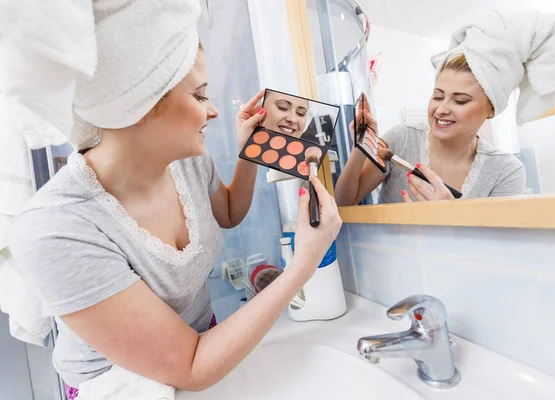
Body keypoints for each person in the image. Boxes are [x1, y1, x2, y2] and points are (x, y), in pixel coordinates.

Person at [8, 41, 341, 397]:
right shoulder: (55, 227)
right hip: (121, 383)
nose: (213, 111)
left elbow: (228, 214)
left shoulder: (188, 159)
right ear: (137, 103)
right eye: (199, 96)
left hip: (201, 346)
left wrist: (252, 152)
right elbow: (190, 365)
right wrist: (304, 265)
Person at [335, 54, 527, 205]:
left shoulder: (506, 171)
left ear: (491, 109)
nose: (441, 110)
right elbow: (344, 202)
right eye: (437, 96)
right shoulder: (401, 138)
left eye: (460, 101)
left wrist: (451, 219)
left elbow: (498, 247)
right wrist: (360, 149)